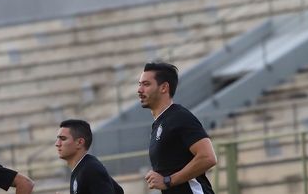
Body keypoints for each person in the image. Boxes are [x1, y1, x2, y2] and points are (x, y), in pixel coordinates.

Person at [138, 61, 217, 193]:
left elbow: (208, 157)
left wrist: (168, 180)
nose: (139, 90)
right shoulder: (159, 123)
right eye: (140, 84)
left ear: (164, 88)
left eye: (146, 84)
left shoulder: (180, 117)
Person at [55, 119, 124, 194]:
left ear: (79, 142)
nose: (57, 143)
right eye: (58, 139)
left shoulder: (91, 169)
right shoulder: (81, 168)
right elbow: (118, 190)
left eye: (63, 139)